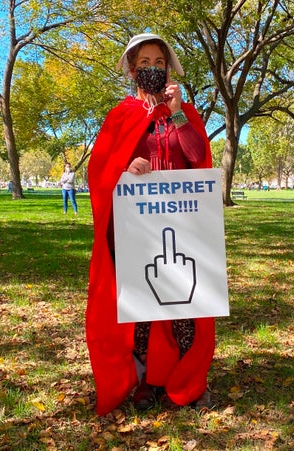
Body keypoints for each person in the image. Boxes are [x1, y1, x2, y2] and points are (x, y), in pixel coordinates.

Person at [86, 33, 214, 416]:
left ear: (170, 68)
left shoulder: (184, 114)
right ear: (131, 69)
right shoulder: (121, 114)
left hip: (183, 224)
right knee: (142, 310)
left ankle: (188, 381)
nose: (153, 69)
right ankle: (146, 382)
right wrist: (126, 170)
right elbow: (102, 170)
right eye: (145, 63)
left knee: (185, 306)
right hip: (135, 227)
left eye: (160, 62)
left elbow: (197, 158)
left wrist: (175, 112)